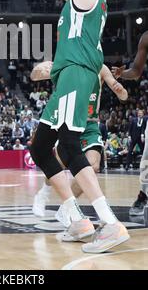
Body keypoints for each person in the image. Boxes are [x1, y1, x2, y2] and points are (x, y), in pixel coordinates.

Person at [30, 0, 129, 254]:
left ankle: (110, 223)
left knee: (70, 146)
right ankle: (77, 219)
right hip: (69, 75)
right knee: (41, 147)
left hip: (76, 72)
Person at [31, 61, 128, 229]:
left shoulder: (100, 67)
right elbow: (36, 75)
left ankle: (65, 209)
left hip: (89, 125)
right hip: (69, 120)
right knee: (58, 164)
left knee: (94, 165)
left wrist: (121, 91)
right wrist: (40, 71)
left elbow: (119, 90)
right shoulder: (67, 62)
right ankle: (43, 193)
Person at [112, 31, 148, 215]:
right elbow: (135, 71)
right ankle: (144, 195)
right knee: (146, 159)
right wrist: (121, 74)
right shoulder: (146, 38)